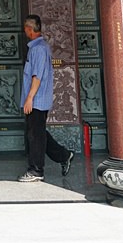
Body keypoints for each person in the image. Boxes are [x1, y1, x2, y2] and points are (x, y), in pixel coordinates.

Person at [18, 13, 74, 182]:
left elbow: (37, 77)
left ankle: (36, 170)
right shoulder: (37, 47)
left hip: (37, 100)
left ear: (29, 29)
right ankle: (64, 155)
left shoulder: (39, 49)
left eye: (25, 28)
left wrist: (30, 98)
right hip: (37, 99)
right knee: (38, 132)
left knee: (35, 136)